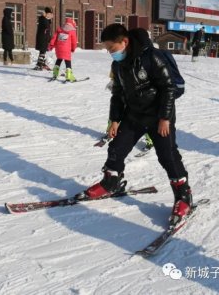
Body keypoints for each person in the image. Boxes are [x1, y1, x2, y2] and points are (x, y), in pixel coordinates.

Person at [77, 24, 193, 225]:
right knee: (116, 148)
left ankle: (183, 195)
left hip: (159, 117)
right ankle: (111, 182)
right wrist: (114, 120)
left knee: (168, 156)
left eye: (113, 49)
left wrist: (165, 118)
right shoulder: (118, 65)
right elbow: (118, 94)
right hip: (134, 116)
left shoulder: (151, 58)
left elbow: (168, 88)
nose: (111, 53)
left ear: (125, 42)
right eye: (108, 50)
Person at [48, 17, 77, 82]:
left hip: (58, 49)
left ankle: (55, 74)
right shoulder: (72, 31)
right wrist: (73, 48)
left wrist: (51, 45)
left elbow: (54, 38)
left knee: (59, 60)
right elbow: (74, 41)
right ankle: (69, 76)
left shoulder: (60, 29)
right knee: (68, 61)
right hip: (66, 49)